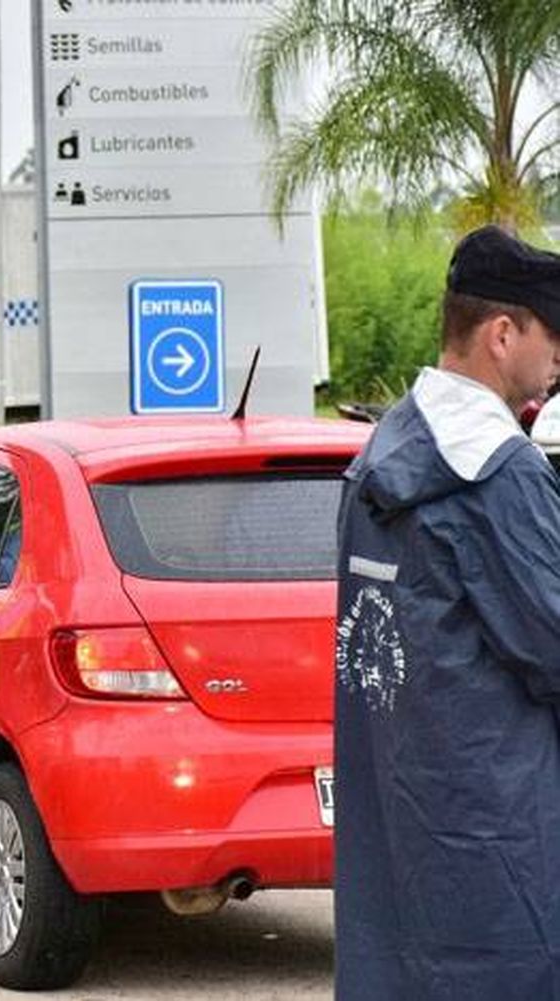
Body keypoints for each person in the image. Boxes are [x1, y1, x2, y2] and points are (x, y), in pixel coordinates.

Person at [335, 225, 560, 1000]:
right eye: (552, 334)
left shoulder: (375, 458)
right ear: (503, 333)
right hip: (505, 866)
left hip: (396, 849)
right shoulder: (498, 477)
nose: (559, 357)